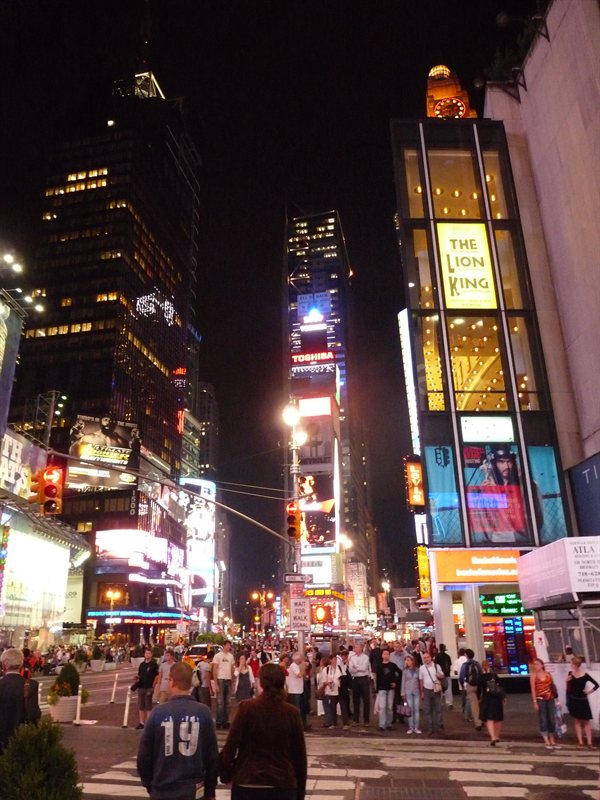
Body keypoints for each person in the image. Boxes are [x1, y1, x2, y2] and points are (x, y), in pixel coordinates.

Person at [218, 662, 307, 800]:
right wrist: (299, 792)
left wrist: (226, 774)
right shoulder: (291, 713)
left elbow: (231, 746)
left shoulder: (246, 708)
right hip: (282, 782)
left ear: (261, 683)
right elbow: (299, 756)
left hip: (248, 780)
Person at [137, 661, 218, 800]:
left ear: (172, 681)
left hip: (163, 789)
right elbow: (212, 758)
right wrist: (209, 791)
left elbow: (144, 757)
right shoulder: (203, 712)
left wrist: (150, 785)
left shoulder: (158, 713)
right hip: (193, 790)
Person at [0, 648, 41, 752]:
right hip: (21, 739)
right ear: (21, 665)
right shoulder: (31, 685)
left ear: (4, 665)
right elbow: (33, 714)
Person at [565, 655, 599, 749]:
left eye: (572, 663)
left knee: (586, 721)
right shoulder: (570, 674)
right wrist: (566, 681)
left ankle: (589, 742)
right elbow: (568, 689)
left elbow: (596, 685)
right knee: (577, 721)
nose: (571, 665)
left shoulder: (585, 675)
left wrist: (588, 692)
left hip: (583, 700)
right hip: (574, 699)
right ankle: (580, 742)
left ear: (576, 665)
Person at [529, 657, 560, 750]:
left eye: (537, 664)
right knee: (543, 719)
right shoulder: (533, 676)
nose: (536, 666)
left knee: (552, 718)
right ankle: (546, 739)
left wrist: (556, 700)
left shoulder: (548, 674)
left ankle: (552, 738)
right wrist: (534, 701)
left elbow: (553, 687)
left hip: (550, 698)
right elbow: (533, 689)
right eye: (534, 664)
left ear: (542, 665)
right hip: (540, 698)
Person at [477, 660, 505, 746]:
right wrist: (503, 697)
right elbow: (500, 686)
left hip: (487, 699)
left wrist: (478, 698)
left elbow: (479, 689)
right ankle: (497, 736)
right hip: (496, 699)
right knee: (498, 718)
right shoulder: (494, 675)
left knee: (489, 718)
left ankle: (492, 737)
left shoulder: (481, 677)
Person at [419, 651, 445, 736]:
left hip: (436, 690)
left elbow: (442, 676)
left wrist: (439, 676)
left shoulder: (437, 666)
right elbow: (421, 680)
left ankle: (438, 727)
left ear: (431, 657)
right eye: (424, 658)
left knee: (438, 709)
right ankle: (430, 727)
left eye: (427, 657)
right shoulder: (422, 668)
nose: (426, 659)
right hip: (427, 690)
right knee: (428, 710)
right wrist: (422, 692)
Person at [375, 649, 401, 731]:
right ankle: (382, 725)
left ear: (389, 656)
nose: (386, 656)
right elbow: (377, 678)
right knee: (382, 707)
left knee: (389, 707)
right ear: (382, 656)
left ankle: (389, 723)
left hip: (390, 689)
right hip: (382, 689)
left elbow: (400, 673)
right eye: (384, 654)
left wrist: (396, 682)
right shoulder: (379, 666)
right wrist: (377, 690)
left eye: (387, 654)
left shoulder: (393, 665)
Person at [212, 640, 235, 729]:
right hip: (220, 679)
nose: (229, 647)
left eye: (230, 645)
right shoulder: (217, 656)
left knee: (228, 702)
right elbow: (214, 670)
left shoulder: (231, 656)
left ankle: (226, 721)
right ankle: (219, 722)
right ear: (223, 645)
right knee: (220, 702)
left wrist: (233, 682)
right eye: (228, 645)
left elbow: (232, 669)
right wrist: (216, 683)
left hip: (228, 680)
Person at [459, 649, 483, 730]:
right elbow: (481, 673)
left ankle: (478, 723)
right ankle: (482, 719)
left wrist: (463, 686)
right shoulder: (477, 664)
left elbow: (461, 677)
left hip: (470, 685)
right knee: (479, 703)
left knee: (474, 705)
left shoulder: (465, 665)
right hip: (479, 685)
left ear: (466, 655)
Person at [348, 643, 371, 726]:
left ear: (361, 648)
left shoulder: (366, 657)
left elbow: (364, 668)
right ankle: (356, 719)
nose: (355, 649)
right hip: (355, 680)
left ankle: (366, 720)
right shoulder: (352, 658)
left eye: (357, 647)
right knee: (355, 700)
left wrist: (356, 668)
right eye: (355, 647)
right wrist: (357, 668)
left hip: (364, 679)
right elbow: (350, 669)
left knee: (366, 700)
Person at [137, 647, 159, 730]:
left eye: (149, 653)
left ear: (151, 655)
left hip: (149, 688)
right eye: (146, 653)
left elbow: (157, 676)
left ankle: (148, 723)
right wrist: (136, 678)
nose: (147, 655)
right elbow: (139, 675)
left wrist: (153, 686)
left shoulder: (154, 665)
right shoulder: (142, 664)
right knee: (141, 706)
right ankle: (141, 723)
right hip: (141, 687)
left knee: (148, 706)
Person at [317, 654, 341, 729]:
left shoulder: (336, 668)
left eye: (335, 659)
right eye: (333, 659)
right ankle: (331, 722)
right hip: (328, 690)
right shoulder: (326, 670)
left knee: (329, 707)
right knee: (329, 706)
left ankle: (330, 722)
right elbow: (323, 681)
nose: (335, 661)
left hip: (333, 690)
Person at [286, 652, 308, 729]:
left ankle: (303, 723)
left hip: (299, 690)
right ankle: (296, 724)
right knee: (296, 708)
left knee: (302, 707)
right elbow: (299, 675)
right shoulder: (294, 666)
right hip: (294, 691)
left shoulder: (297, 666)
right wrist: (303, 667)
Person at [401, 654, 421, 734]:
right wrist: (403, 693)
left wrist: (421, 691)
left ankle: (416, 727)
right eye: (406, 660)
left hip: (416, 691)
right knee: (410, 709)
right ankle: (411, 727)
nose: (407, 662)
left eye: (408, 660)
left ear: (412, 661)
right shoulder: (405, 671)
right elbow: (403, 682)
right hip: (408, 691)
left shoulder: (417, 670)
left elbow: (420, 681)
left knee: (416, 709)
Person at [435, 643, 453, 709]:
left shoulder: (437, 656)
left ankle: (440, 702)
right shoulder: (448, 656)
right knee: (448, 689)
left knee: (439, 689)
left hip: (439, 675)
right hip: (447, 674)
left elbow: (435, 666)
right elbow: (450, 666)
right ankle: (449, 703)